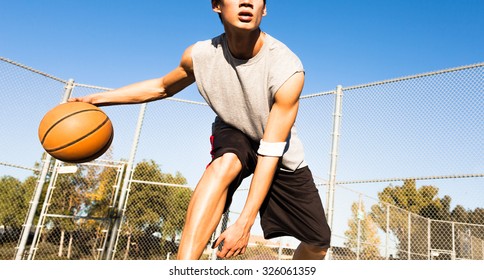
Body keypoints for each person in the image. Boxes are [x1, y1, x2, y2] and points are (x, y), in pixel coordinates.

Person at [68, 0, 331, 260]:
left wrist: (244, 223)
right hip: (234, 128)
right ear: (217, 5)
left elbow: (271, 150)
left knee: (318, 242)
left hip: (276, 149)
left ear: (264, 9)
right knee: (225, 163)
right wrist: (97, 99)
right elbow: (161, 86)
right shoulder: (200, 55)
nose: (247, 2)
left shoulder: (286, 67)